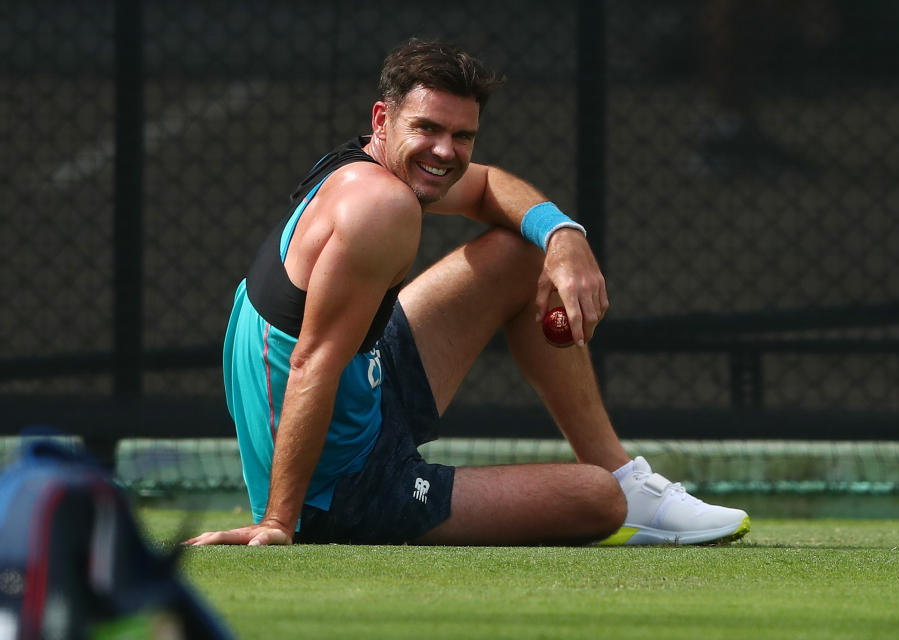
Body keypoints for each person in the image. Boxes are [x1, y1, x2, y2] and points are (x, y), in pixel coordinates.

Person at [185, 38, 750, 548]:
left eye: (462, 136)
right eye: (428, 129)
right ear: (383, 119)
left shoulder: (362, 165)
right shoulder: (382, 207)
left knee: (521, 252)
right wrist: (280, 522)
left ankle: (632, 481)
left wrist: (563, 236)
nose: (446, 152)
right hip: (340, 491)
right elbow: (311, 364)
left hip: (366, 389)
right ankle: (621, 492)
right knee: (598, 499)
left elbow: (485, 186)